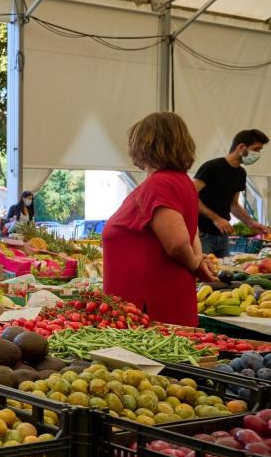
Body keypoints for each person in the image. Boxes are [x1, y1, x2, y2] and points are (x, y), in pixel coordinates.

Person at [103, 112, 216, 327]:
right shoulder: (179, 181)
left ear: (145, 144)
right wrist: (197, 260)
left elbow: (177, 241)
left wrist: (194, 262)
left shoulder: (160, 184)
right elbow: (192, 234)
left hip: (149, 310)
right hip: (153, 304)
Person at [194, 129, 270, 257]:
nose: (258, 154)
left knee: (224, 273)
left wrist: (251, 223)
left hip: (223, 236)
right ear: (241, 147)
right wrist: (216, 218)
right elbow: (189, 196)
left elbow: (234, 205)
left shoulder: (241, 173)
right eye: (256, 149)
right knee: (204, 274)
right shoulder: (212, 167)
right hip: (202, 234)